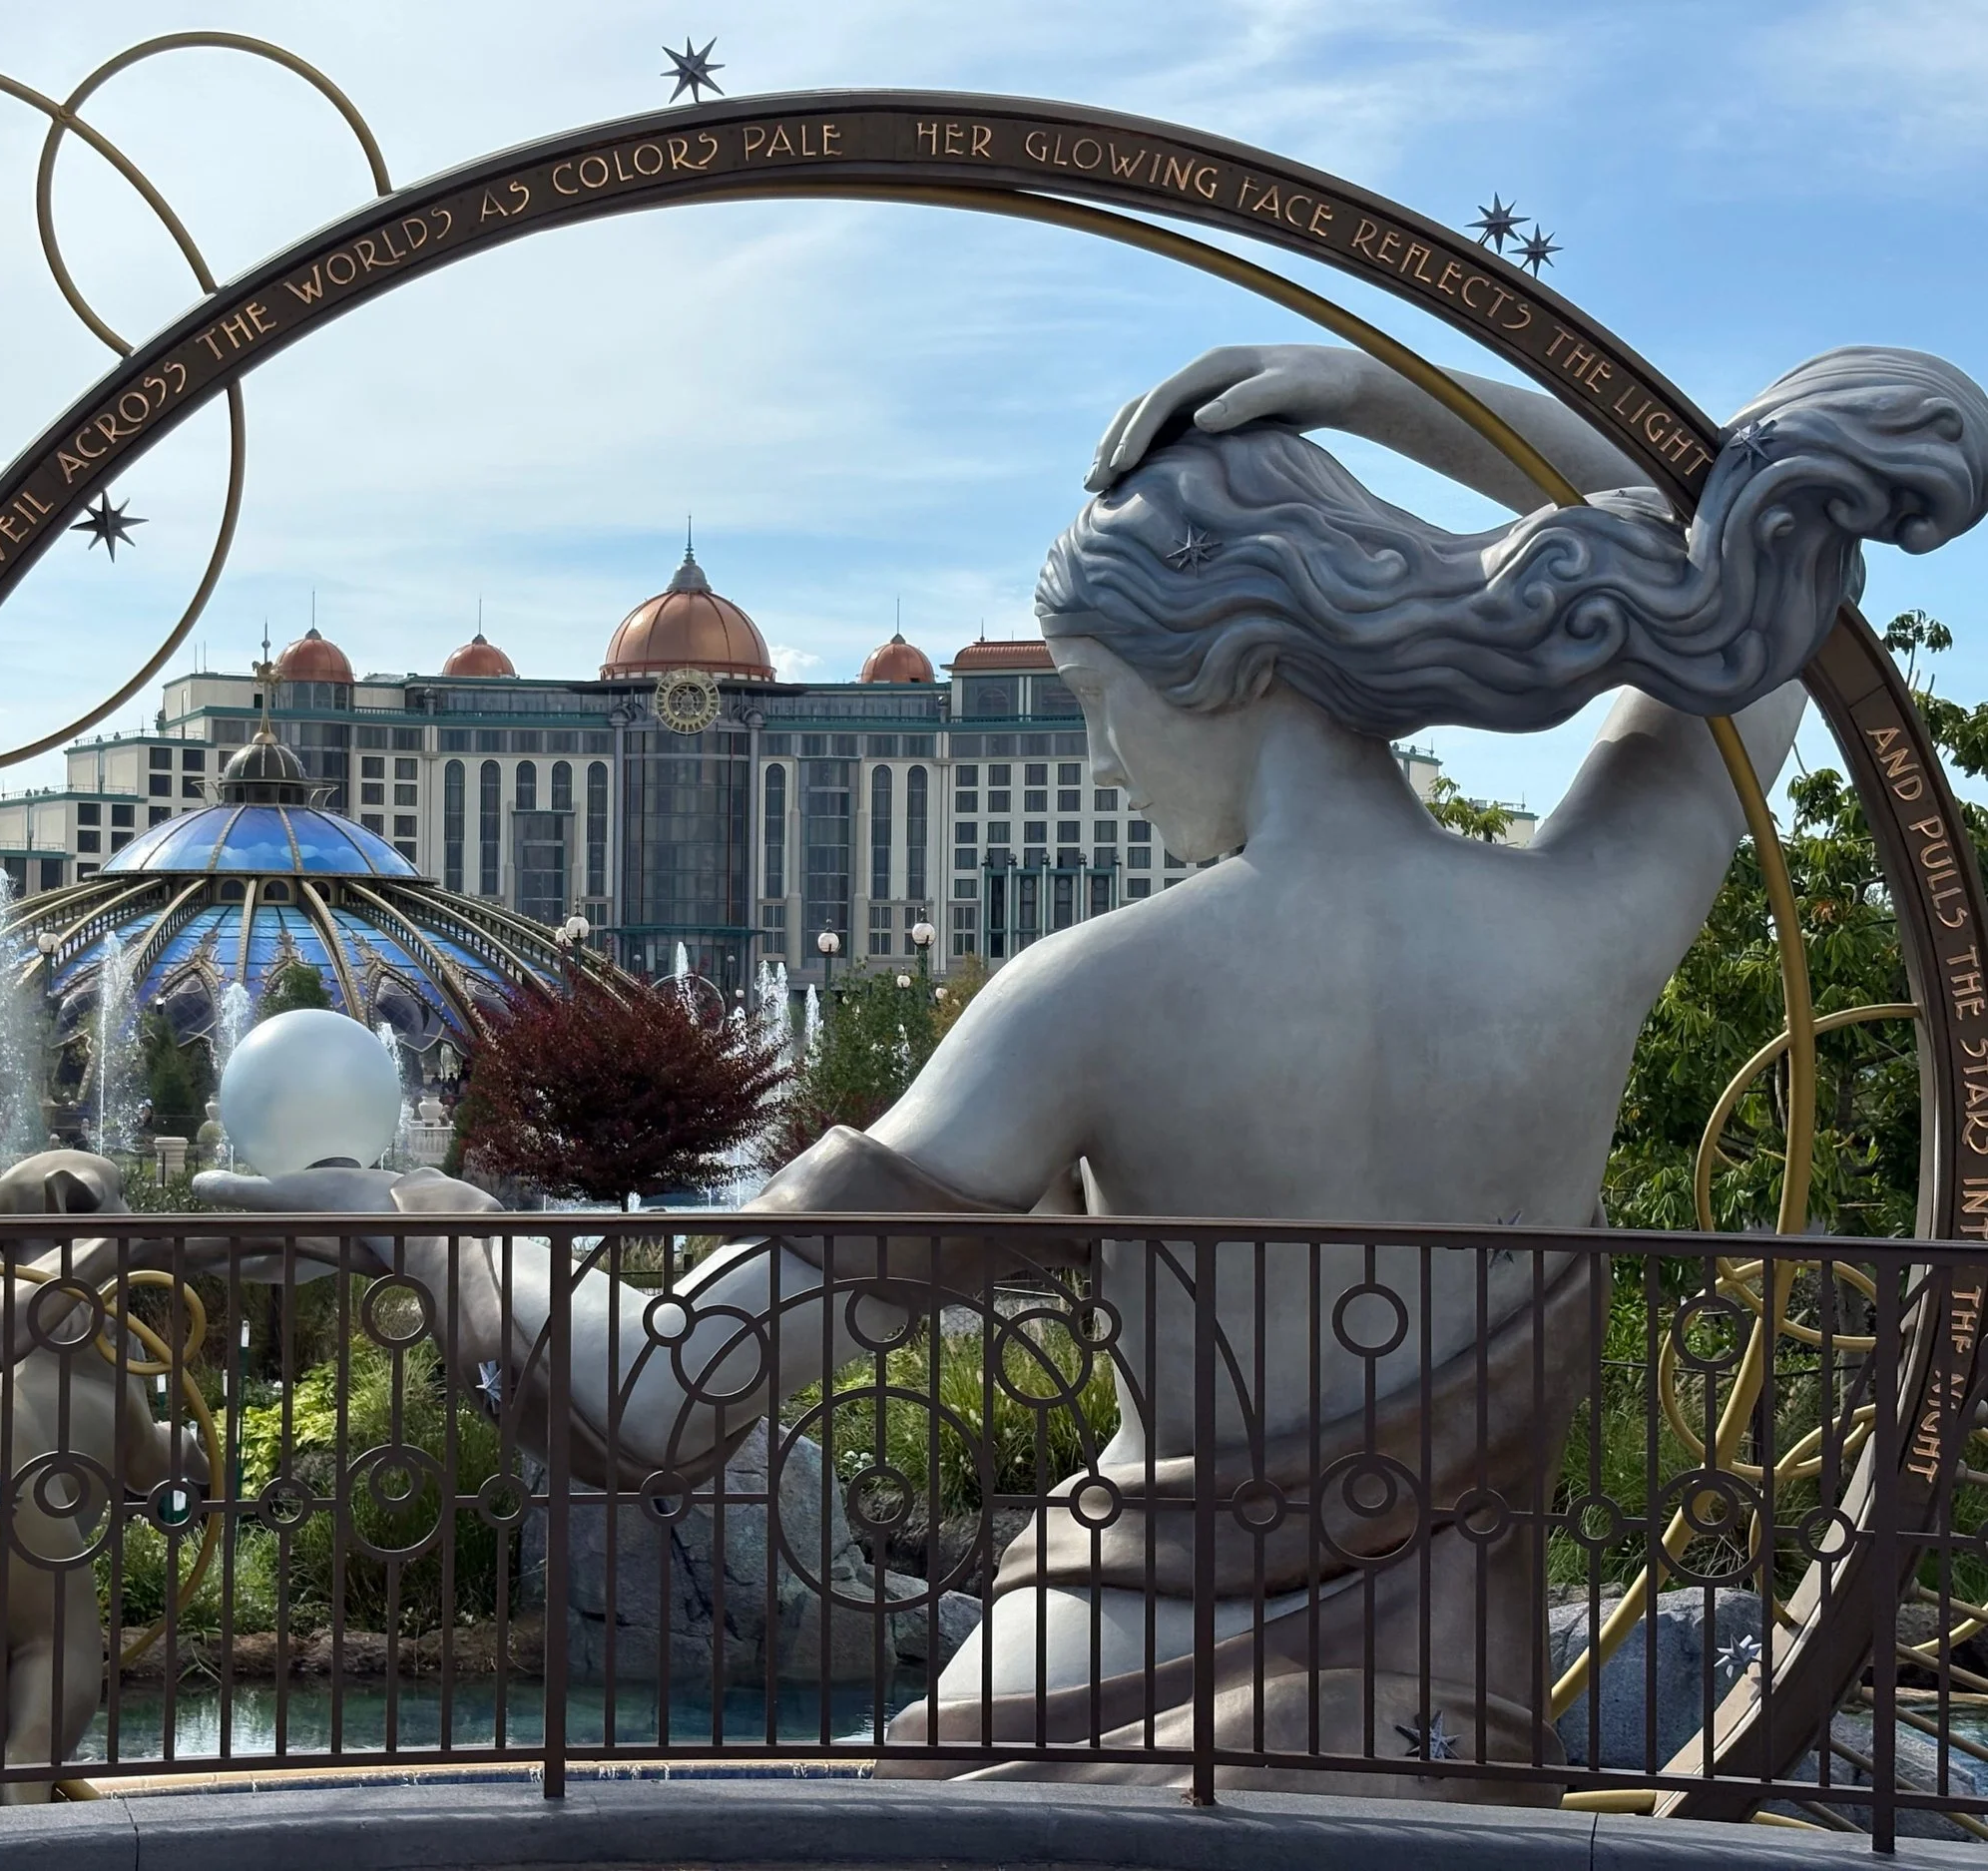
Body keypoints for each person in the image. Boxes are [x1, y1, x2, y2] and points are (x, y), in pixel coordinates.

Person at [195, 343, 1988, 1795]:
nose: (1109, 759)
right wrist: (1357, 387)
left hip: (1070, 1716)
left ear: (1209, 670)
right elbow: (1731, 488)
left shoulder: (1093, 993)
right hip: (1454, 1732)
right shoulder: (1586, 925)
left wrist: (419, 1217)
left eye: (1095, 698)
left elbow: (660, 1400)